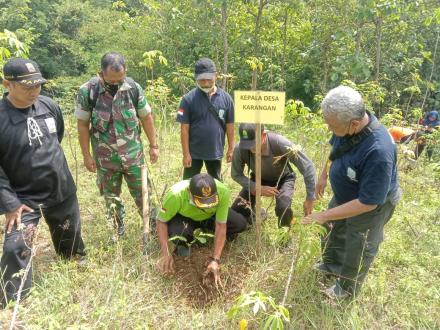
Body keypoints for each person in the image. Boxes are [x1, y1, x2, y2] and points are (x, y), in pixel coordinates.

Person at [0, 58, 85, 307]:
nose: (34, 91)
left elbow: (56, 135)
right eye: (28, 87)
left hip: (59, 186)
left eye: (38, 85)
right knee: (16, 247)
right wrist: (10, 204)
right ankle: (14, 298)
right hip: (23, 198)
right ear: (8, 84)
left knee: (69, 231)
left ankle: (74, 259)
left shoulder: (48, 105)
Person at [301, 86, 401, 299]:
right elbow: (335, 151)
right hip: (345, 194)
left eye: (332, 126)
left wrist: (322, 214)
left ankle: (346, 289)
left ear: (354, 123)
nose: (330, 129)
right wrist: (323, 174)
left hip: (370, 206)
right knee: (332, 229)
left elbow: (368, 202)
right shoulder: (345, 125)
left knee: (358, 245)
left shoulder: (379, 152)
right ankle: (330, 265)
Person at [75, 52, 159, 236]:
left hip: (133, 155)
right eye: (111, 80)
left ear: (125, 71)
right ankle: (117, 230)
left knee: (145, 194)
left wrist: (154, 145)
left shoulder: (133, 88)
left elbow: (146, 117)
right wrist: (86, 155)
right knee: (111, 197)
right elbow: (82, 125)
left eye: (120, 79)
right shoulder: (88, 91)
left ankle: (154, 229)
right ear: (101, 73)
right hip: (106, 159)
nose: (116, 83)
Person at [155, 173, 247, 286]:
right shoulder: (175, 195)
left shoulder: (223, 192)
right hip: (185, 218)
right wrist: (166, 253)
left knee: (240, 224)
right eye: (202, 203)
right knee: (179, 232)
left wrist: (215, 259)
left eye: (210, 202)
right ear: (189, 193)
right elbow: (161, 222)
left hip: (210, 217)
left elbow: (221, 225)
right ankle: (185, 242)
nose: (207, 206)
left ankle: (207, 230)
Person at [231, 124, 316, 228]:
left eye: (253, 143)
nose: (250, 147)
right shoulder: (240, 148)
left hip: (283, 178)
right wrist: (256, 187)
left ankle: (285, 234)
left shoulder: (279, 142)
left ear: (263, 135)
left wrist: (310, 197)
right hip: (258, 179)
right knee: (237, 210)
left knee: (283, 207)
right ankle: (254, 217)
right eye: (246, 144)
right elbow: (236, 174)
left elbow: (308, 167)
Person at [176, 58, 234, 181]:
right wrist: (186, 154)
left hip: (214, 150)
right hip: (193, 152)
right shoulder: (188, 99)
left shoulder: (226, 98)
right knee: (188, 183)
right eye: (202, 79)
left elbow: (230, 125)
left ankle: (216, 200)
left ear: (216, 75)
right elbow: (184, 129)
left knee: (216, 182)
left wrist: (231, 149)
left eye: (209, 78)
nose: (206, 82)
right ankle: (189, 201)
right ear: (196, 78)